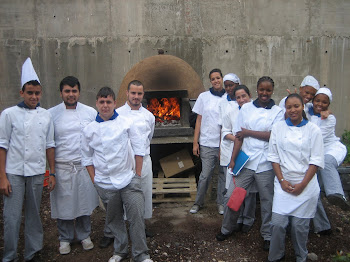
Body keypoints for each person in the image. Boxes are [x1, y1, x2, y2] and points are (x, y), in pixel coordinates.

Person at [81, 87, 152, 262]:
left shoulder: (126, 123)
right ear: (97, 103)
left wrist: (137, 173)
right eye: (102, 102)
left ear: (114, 103)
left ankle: (141, 254)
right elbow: (87, 158)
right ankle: (120, 251)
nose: (105, 105)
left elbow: (139, 148)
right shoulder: (89, 130)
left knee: (136, 216)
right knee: (114, 220)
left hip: (128, 179)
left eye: (109, 102)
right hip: (105, 183)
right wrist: (95, 181)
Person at [216, 76, 284, 252]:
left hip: (266, 165)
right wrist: (232, 159)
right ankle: (227, 228)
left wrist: (249, 132)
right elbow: (239, 136)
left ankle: (267, 235)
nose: (264, 93)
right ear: (257, 89)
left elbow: (272, 136)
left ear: (272, 91)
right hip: (246, 162)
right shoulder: (246, 109)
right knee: (233, 196)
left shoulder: (277, 111)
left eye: (268, 90)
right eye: (262, 89)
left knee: (268, 201)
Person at [0, 57, 56, 262]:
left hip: (36, 172)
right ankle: (9, 256)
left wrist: (51, 173)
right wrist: (2, 177)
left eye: (37, 93)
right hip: (13, 173)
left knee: (34, 215)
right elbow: (2, 146)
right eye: (29, 93)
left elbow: (50, 146)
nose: (33, 97)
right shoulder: (8, 114)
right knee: (11, 217)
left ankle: (33, 252)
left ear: (41, 94)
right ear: (21, 93)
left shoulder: (46, 116)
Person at [267, 93, 324, 262]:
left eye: (296, 106)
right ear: (285, 109)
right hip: (283, 182)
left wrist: (302, 184)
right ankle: (276, 256)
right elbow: (273, 157)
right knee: (277, 224)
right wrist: (282, 180)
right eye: (289, 107)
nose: (293, 110)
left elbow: (316, 160)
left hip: (305, 185)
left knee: (300, 227)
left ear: (302, 107)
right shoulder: (278, 128)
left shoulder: (313, 130)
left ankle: (301, 256)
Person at [48, 76, 99, 254]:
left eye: (74, 91)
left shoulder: (90, 112)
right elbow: (49, 144)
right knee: (64, 203)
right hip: (62, 165)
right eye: (67, 91)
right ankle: (65, 238)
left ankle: (85, 235)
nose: (71, 94)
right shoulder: (51, 114)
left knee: (84, 201)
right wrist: (51, 171)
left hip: (83, 164)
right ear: (61, 92)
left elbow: (96, 137)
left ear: (79, 92)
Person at [116, 80, 155, 235]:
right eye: (133, 93)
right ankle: (122, 228)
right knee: (122, 195)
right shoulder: (117, 114)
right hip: (124, 162)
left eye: (139, 93)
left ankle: (141, 226)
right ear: (127, 93)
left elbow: (149, 136)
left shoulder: (149, 116)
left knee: (143, 193)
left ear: (143, 95)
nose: (136, 96)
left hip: (144, 160)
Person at [221, 84, 257, 233]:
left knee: (251, 192)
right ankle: (238, 218)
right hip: (238, 154)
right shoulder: (231, 112)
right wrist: (237, 137)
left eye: (244, 96)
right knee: (236, 191)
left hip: (254, 156)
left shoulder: (257, 111)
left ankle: (248, 219)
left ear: (250, 96)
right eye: (238, 97)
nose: (241, 100)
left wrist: (246, 135)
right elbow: (225, 131)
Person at [190, 68, 226, 215]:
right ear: (210, 81)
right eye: (213, 79)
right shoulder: (203, 97)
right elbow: (198, 120)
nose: (216, 81)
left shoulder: (228, 97)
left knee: (222, 175)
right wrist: (195, 142)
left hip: (224, 143)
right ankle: (198, 202)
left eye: (218, 78)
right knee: (205, 175)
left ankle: (221, 203)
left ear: (222, 79)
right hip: (207, 142)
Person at [309, 87, 349, 211]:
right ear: (313, 101)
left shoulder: (329, 118)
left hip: (331, 149)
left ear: (328, 104)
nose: (320, 104)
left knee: (326, 161)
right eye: (317, 101)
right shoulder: (307, 111)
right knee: (313, 190)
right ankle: (323, 226)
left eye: (324, 102)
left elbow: (317, 138)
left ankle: (337, 194)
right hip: (315, 153)